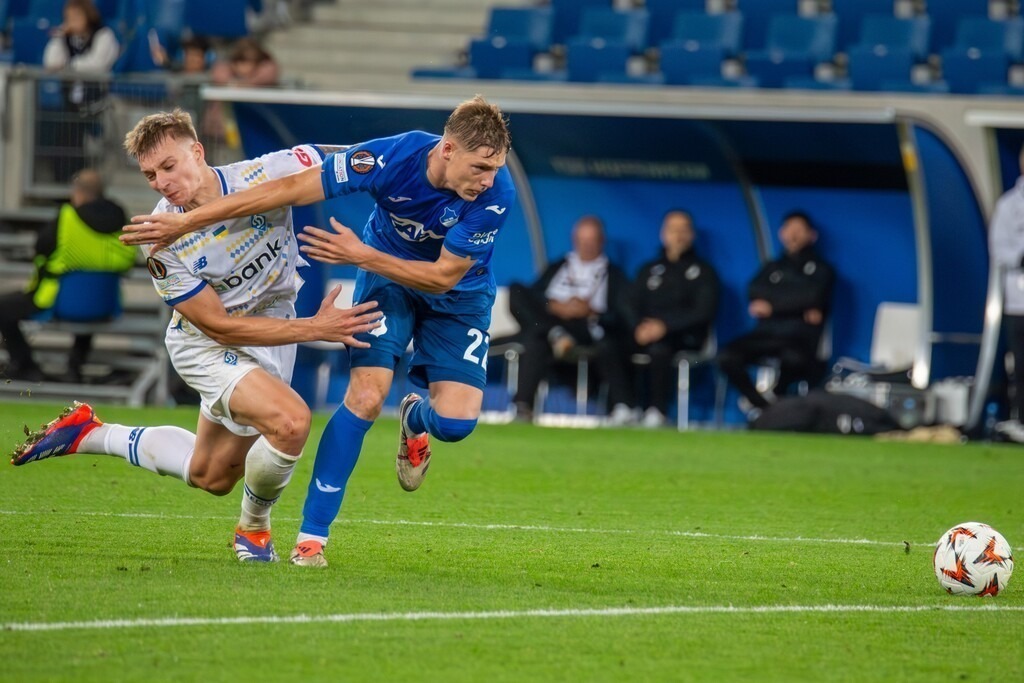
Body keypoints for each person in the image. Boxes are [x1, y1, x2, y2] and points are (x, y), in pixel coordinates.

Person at [120, 96, 516, 568]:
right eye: (480, 167)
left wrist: (360, 256)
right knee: (366, 397)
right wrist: (189, 220)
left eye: (495, 168)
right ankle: (312, 538)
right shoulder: (392, 157)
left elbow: (443, 276)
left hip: (457, 294)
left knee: (455, 425)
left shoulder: (495, 194)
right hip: (387, 283)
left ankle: (416, 420)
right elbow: (289, 190)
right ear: (447, 150)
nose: (488, 179)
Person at [10, 110, 382, 565]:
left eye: (168, 166)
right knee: (290, 422)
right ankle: (254, 530)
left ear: (197, 152)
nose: (161, 182)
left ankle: (90, 433)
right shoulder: (159, 237)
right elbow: (219, 326)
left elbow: (346, 159)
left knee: (212, 475)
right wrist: (315, 330)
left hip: (272, 329)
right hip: (206, 345)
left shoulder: (264, 172)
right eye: (150, 175)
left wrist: (402, 162)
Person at [0, 169, 133, 382]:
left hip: (58, 301)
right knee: (87, 296)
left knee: (3, 307)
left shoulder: (67, 217)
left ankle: (26, 366)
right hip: (104, 304)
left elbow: (42, 247)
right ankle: (75, 365)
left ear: (78, 192)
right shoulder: (121, 220)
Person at [507, 215, 633, 424]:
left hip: (589, 329)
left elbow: (621, 314)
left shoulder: (614, 273)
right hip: (553, 323)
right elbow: (536, 297)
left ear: (602, 241)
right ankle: (522, 407)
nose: (586, 246)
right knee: (518, 294)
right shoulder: (558, 266)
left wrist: (590, 311)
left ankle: (622, 407)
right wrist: (556, 305)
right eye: (581, 240)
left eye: (591, 240)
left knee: (540, 334)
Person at [717, 211, 834, 414]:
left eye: (799, 230)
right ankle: (760, 404)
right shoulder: (772, 267)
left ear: (811, 235)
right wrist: (797, 306)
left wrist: (772, 307)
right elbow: (755, 291)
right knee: (726, 356)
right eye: (790, 229)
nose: (794, 235)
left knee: (794, 360)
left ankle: (777, 399)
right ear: (781, 233)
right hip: (765, 335)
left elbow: (812, 297)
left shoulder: (821, 269)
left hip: (800, 338)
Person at [627, 210, 719, 428]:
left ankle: (657, 411)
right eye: (672, 230)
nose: (678, 235)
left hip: (684, 336)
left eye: (683, 230)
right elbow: (631, 303)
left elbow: (703, 312)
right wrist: (638, 327)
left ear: (692, 235)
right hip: (646, 334)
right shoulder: (648, 270)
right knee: (608, 344)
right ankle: (624, 407)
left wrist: (665, 326)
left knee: (660, 348)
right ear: (663, 234)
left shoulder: (704, 272)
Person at [42, 0, 120, 182]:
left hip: (97, 107)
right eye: (68, 18)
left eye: (76, 17)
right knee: (65, 148)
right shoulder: (66, 39)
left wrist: (69, 66)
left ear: (88, 16)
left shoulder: (104, 35)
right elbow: (50, 62)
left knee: (93, 153)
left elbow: (97, 64)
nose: (72, 21)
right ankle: (63, 188)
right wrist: (59, 37)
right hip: (71, 106)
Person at [990, 144, 1024, 443]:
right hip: (1019, 301)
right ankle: (1021, 421)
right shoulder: (1010, 204)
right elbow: (1000, 250)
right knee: (1021, 364)